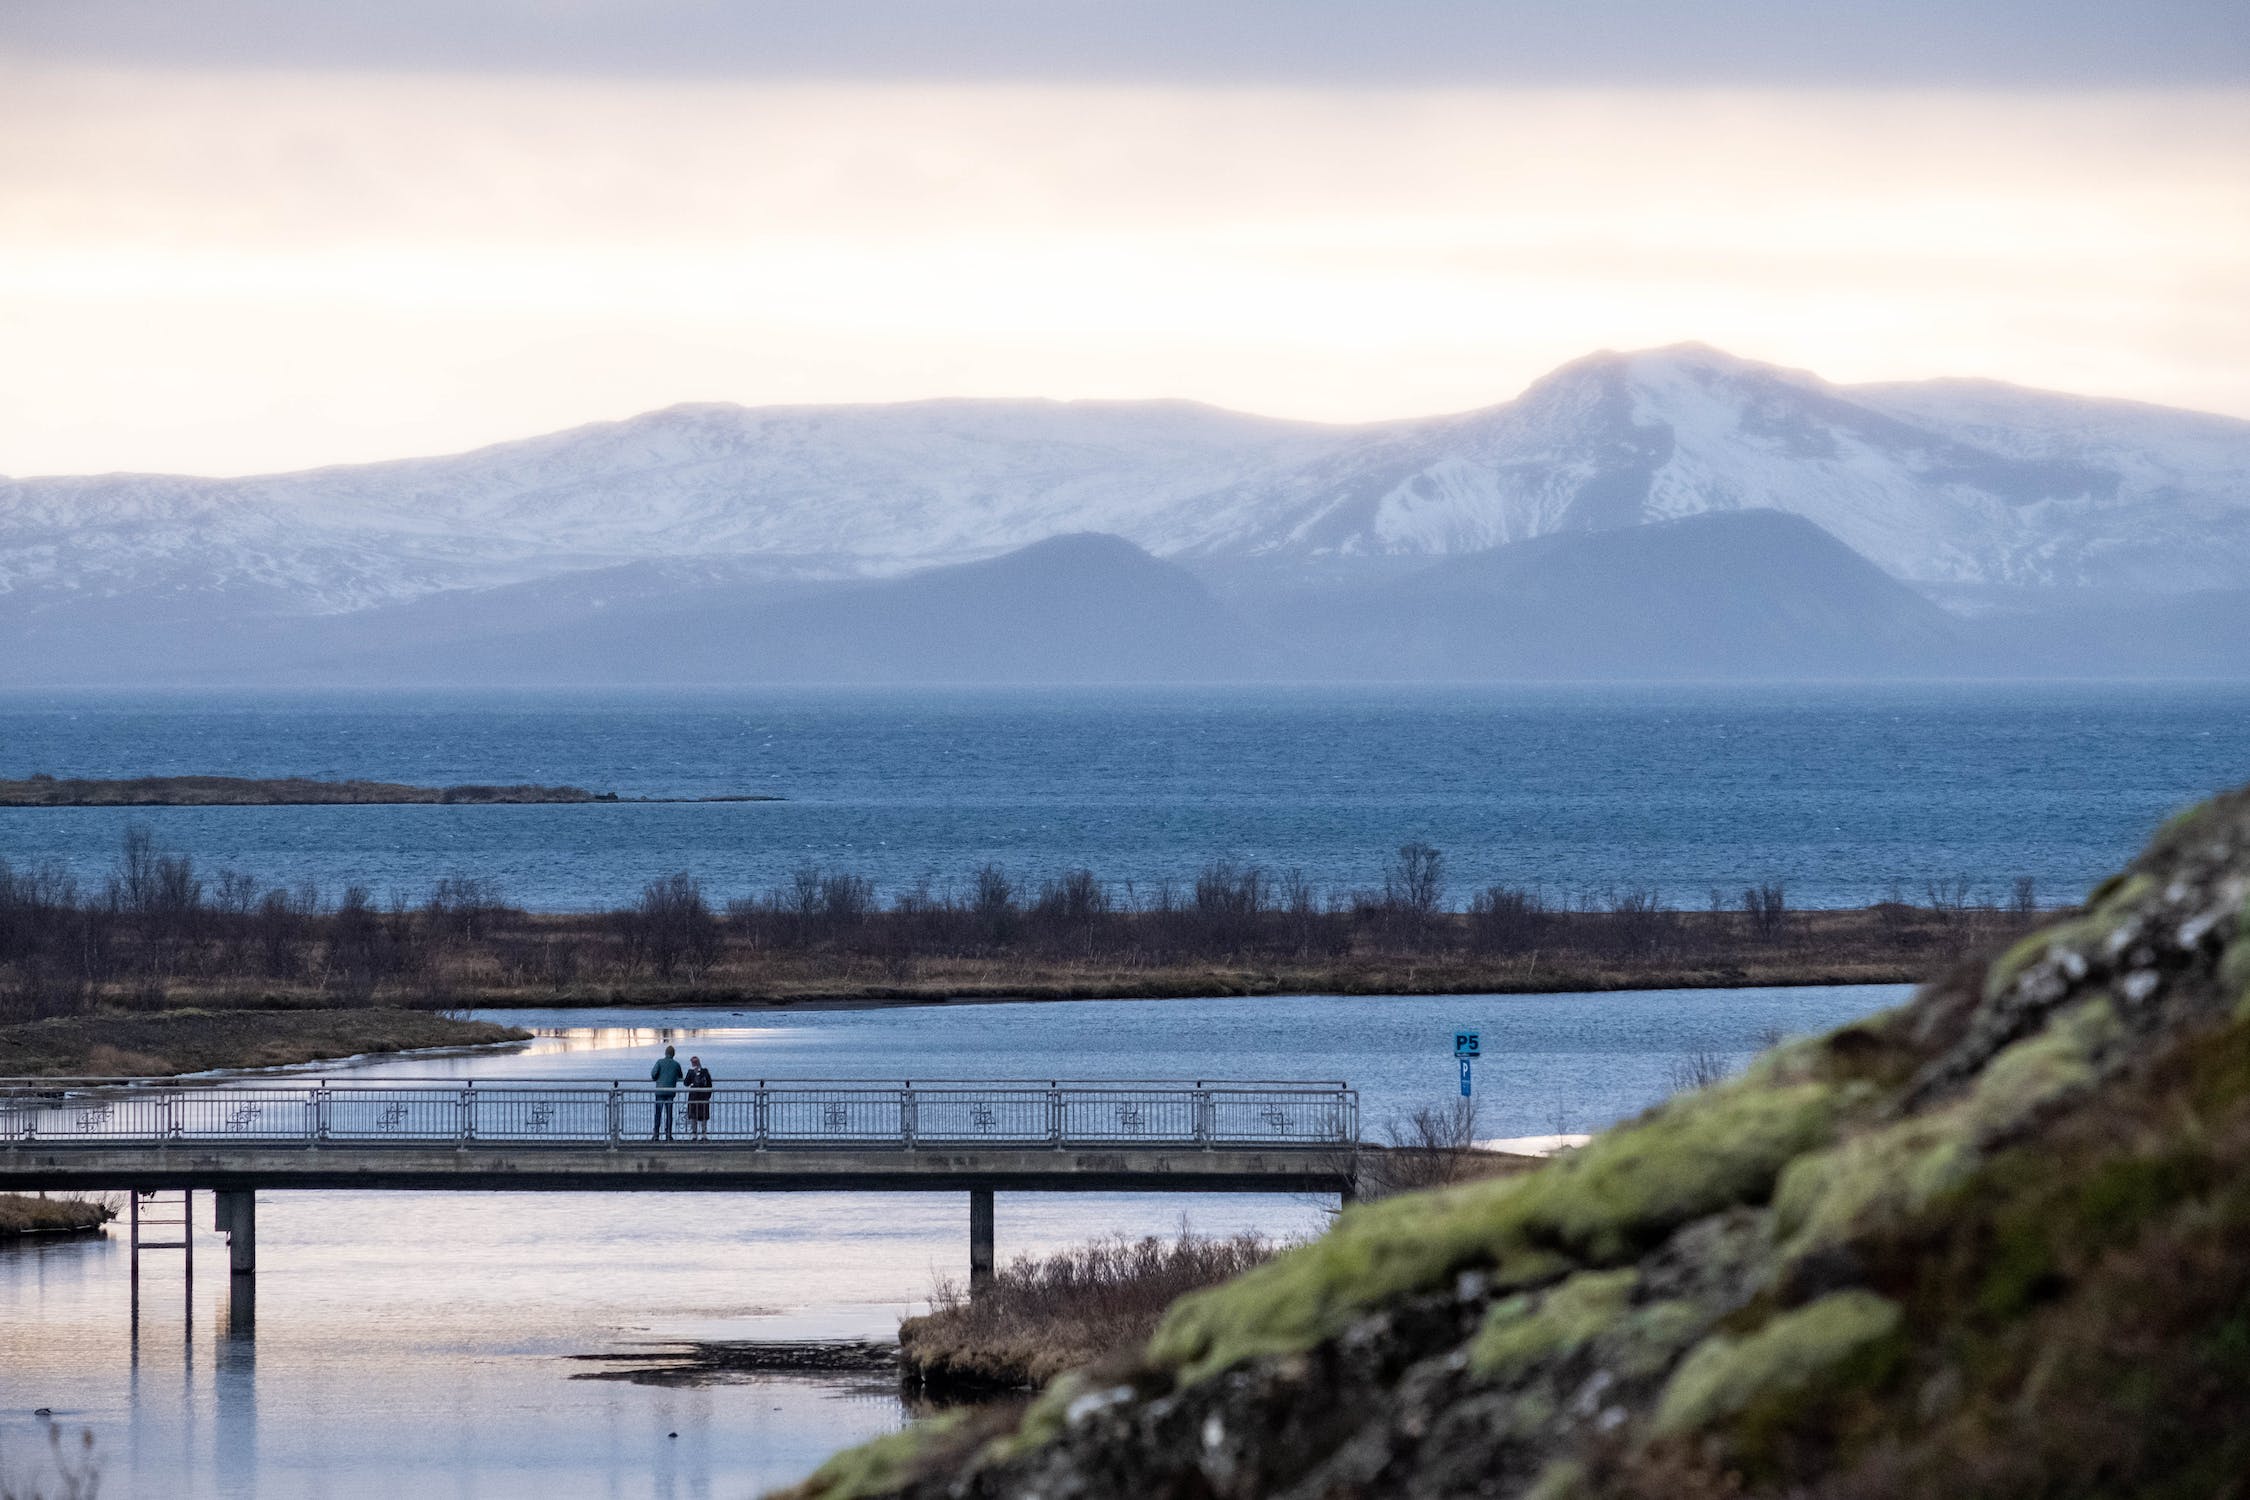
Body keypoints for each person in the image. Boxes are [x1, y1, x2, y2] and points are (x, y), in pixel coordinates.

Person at [649, 1044, 684, 1140]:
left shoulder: (659, 1062)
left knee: (658, 1113)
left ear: (665, 1053)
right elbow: (680, 1076)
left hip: (660, 1091)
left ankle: (656, 1134)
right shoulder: (676, 1064)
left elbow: (653, 1074)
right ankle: (668, 1134)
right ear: (673, 1054)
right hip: (670, 1092)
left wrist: (657, 1078)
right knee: (669, 1114)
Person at [683, 1055, 715, 1141]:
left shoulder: (690, 1072)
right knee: (704, 1116)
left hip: (693, 1097)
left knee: (693, 1116)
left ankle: (694, 1134)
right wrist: (708, 1096)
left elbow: (685, 1083)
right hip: (704, 1097)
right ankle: (704, 1134)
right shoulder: (705, 1072)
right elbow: (710, 1085)